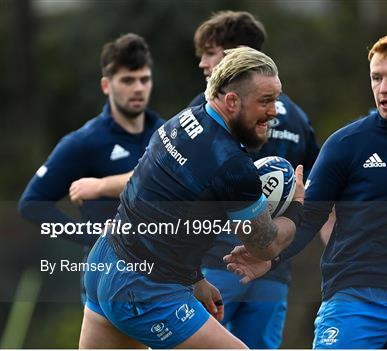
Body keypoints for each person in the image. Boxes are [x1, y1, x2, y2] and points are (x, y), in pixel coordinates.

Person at [225, 32, 387, 348]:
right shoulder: (345, 144)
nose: (383, 88)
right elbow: (309, 218)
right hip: (353, 302)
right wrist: (271, 258)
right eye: (376, 78)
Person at [79, 47, 306, 349]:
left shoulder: (184, 119)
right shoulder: (232, 164)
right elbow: (265, 245)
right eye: (265, 101)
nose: (274, 111)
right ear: (232, 101)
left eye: (275, 99)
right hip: (143, 287)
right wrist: (297, 206)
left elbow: (166, 214)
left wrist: (193, 278)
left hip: (106, 262)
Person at [190, 11, 319, 349]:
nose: (204, 63)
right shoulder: (298, 117)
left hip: (219, 261)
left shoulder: (214, 107)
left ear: (237, 55)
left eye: (211, 52)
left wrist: (100, 185)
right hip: (272, 269)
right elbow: (314, 192)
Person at [18, 33, 164, 300]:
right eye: (128, 80)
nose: (138, 88)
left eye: (144, 79)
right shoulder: (85, 142)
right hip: (107, 275)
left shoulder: (164, 133)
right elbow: (32, 204)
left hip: (162, 272)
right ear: (106, 85)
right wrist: (89, 236)